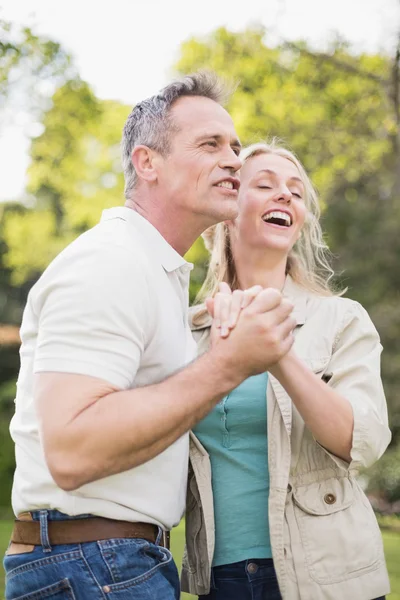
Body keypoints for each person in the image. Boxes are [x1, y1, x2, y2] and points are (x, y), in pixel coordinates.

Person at [3, 76, 298, 600]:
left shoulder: (157, 273)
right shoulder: (111, 261)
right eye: (210, 144)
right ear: (147, 163)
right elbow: (71, 451)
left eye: (234, 146)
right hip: (93, 564)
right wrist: (229, 365)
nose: (234, 159)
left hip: (113, 561)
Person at [182, 141, 391, 600]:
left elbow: (363, 441)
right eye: (265, 185)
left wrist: (278, 354)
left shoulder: (340, 319)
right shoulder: (188, 332)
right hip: (222, 580)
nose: (286, 197)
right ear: (226, 210)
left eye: (296, 192)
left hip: (329, 575)